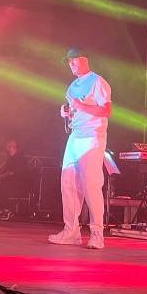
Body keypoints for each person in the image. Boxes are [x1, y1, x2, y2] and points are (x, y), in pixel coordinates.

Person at [50, 48, 111, 250]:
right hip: (75, 136)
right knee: (67, 182)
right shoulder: (72, 86)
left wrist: (81, 106)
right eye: (69, 62)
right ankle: (71, 231)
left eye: (73, 61)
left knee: (91, 185)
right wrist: (67, 113)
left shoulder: (98, 82)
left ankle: (97, 235)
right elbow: (74, 111)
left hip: (92, 136)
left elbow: (106, 110)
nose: (70, 65)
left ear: (84, 60)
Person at [0, 139, 33, 215]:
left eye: (8, 146)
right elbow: (6, 171)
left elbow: (11, 172)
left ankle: (6, 208)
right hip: (12, 182)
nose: (7, 148)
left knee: (3, 186)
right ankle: (0, 208)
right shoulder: (11, 159)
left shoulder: (19, 158)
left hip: (19, 184)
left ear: (13, 147)